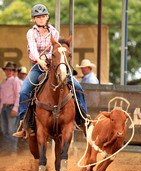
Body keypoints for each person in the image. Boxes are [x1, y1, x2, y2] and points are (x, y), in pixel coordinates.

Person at [13, 4, 87, 138]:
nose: (41, 19)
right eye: (38, 17)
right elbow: (33, 48)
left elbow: (56, 50)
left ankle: (82, 120)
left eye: (43, 16)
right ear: (33, 19)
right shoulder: (31, 32)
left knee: (78, 87)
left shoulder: (54, 32)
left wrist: (47, 59)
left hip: (55, 65)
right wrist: (39, 59)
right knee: (24, 91)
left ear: (47, 17)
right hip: (37, 66)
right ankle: (25, 125)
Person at [0, 62, 21, 153]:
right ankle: (6, 151)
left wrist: (15, 108)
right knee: (4, 131)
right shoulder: (3, 83)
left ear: (13, 71)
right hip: (4, 108)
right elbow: (1, 98)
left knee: (11, 130)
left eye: (10, 70)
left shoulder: (15, 81)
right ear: (5, 71)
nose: (8, 71)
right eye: (7, 70)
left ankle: (12, 151)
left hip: (11, 107)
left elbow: (18, 95)